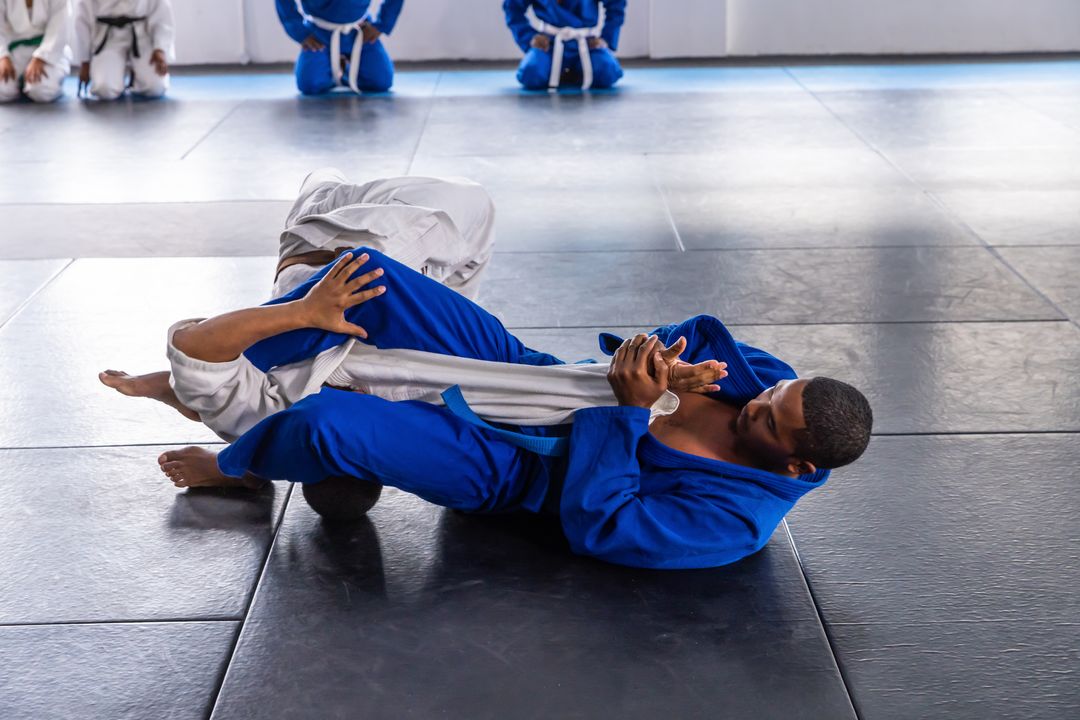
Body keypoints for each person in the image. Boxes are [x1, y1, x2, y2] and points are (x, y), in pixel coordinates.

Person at [275, 0, 404, 96]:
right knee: (310, 85)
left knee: (381, 81)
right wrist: (299, 31)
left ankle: (346, 70)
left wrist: (382, 24)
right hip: (319, 34)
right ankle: (332, 69)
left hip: (359, 31)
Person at [503, 0, 625, 90]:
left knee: (607, 71)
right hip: (550, 43)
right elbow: (512, 7)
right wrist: (529, 37)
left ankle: (576, 72)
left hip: (586, 43)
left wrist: (606, 39)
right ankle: (557, 70)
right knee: (532, 73)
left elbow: (616, 4)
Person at [73, 0, 174, 100]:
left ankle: (136, 76)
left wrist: (160, 48)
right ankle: (117, 74)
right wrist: (85, 62)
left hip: (142, 35)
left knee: (155, 88)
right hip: (108, 38)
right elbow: (83, 18)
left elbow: (161, 11)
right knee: (104, 89)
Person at [0, 0, 72, 104]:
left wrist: (40, 58)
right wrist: (3, 56)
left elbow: (60, 27)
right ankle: (22, 85)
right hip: (15, 51)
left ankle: (51, 82)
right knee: (2, 91)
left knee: (41, 91)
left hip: (49, 51)